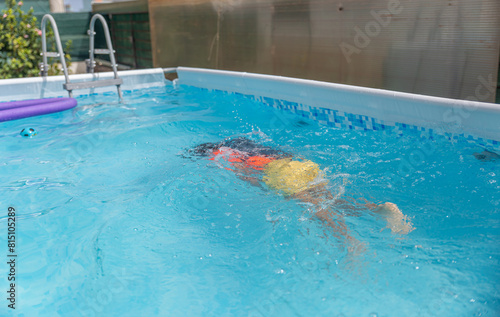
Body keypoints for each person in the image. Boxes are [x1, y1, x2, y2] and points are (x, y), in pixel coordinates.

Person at [187, 137, 414, 251]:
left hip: (281, 174)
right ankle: (377, 208)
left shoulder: (222, 153)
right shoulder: (249, 145)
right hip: (301, 165)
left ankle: (350, 242)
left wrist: (264, 188)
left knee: (317, 208)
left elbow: (244, 174)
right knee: (332, 200)